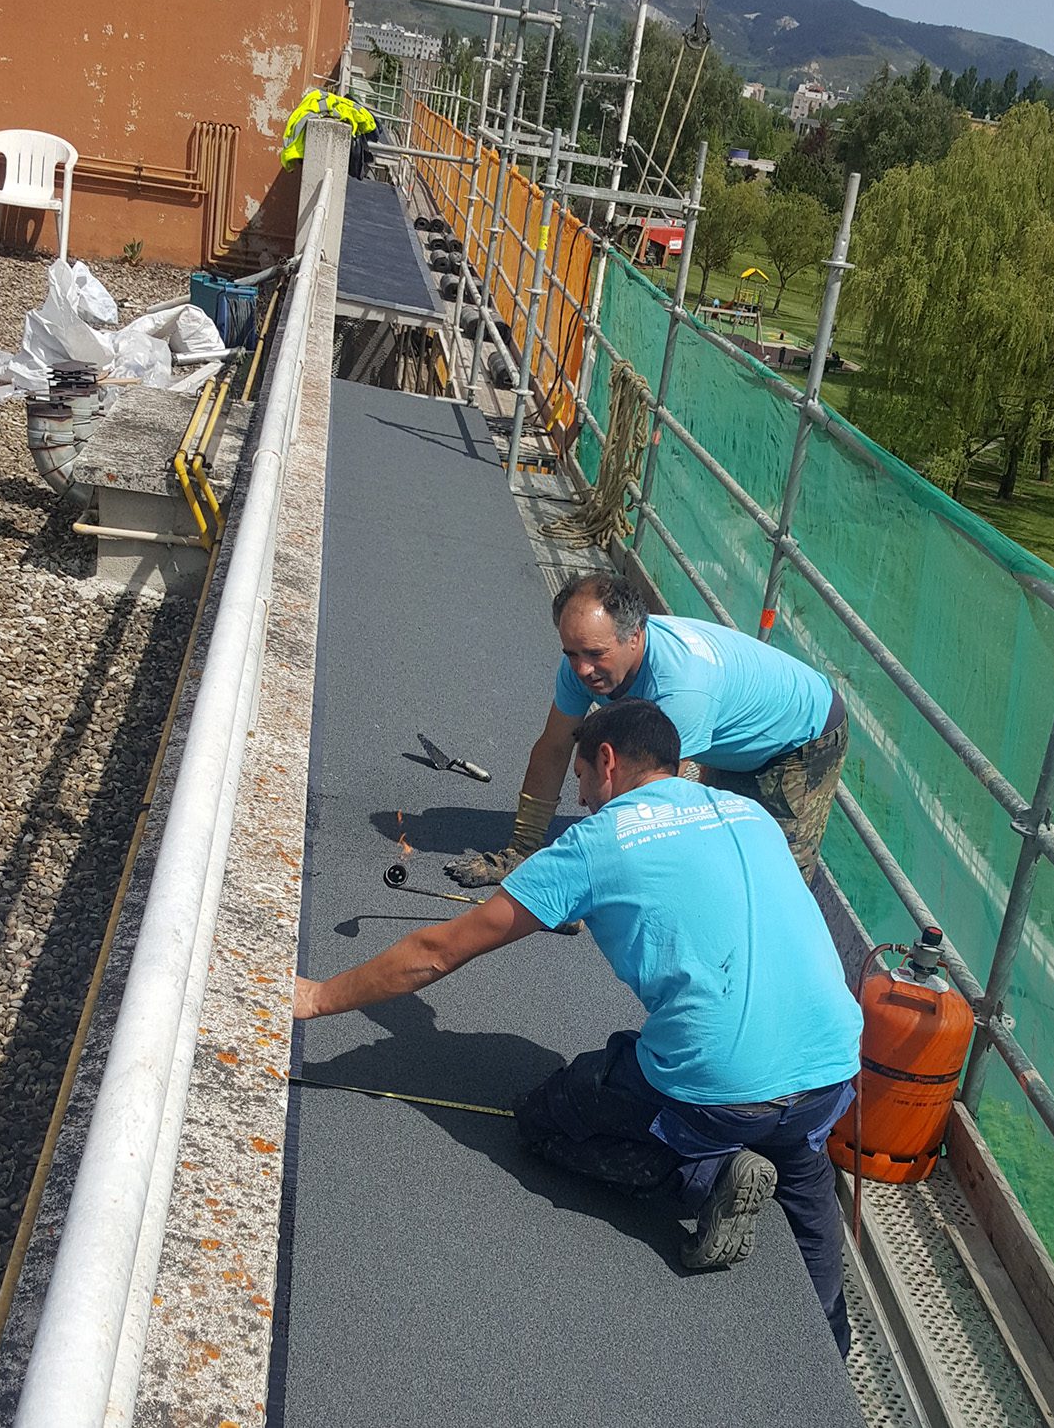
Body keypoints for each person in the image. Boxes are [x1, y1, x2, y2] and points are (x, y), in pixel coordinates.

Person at [294, 700, 862, 1354]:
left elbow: (438, 951)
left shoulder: (595, 843)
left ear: (607, 761)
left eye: (583, 780)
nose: (584, 799)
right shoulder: (749, 815)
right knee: (805, 1176)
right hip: (832, 1068)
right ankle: (832, 1340)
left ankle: (704, 1174)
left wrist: (319, 996)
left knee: (546, 1120)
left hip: (720, 1088)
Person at [446, 571, 847, 890]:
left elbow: (654, 804)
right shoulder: (584, 665)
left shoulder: (681, 688)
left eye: (595, 654)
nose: (582, 669)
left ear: (635, 636)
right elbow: (553, 748)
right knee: (713, 859)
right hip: (728, 734)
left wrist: (580, 886)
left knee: (771, 882)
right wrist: (521, 851)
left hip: (798, 740)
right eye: (571, 654)